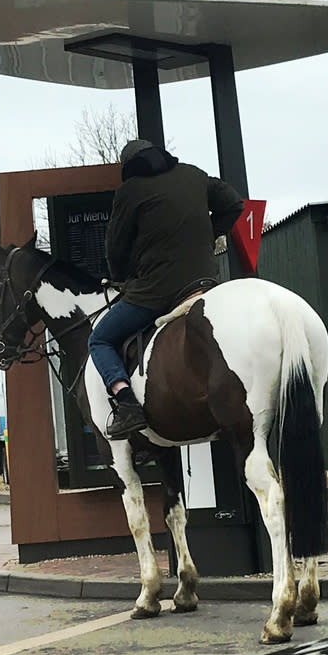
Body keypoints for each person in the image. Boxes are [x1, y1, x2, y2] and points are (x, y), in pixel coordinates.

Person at [88, 139, 244, 440]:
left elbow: (116, 248)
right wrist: (210, 233)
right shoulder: (195, 175)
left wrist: (122, 275)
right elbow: (234, 204)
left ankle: (126, 404)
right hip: (205, 285)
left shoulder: (130, 190)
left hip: (156, 293)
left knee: (100, 338)